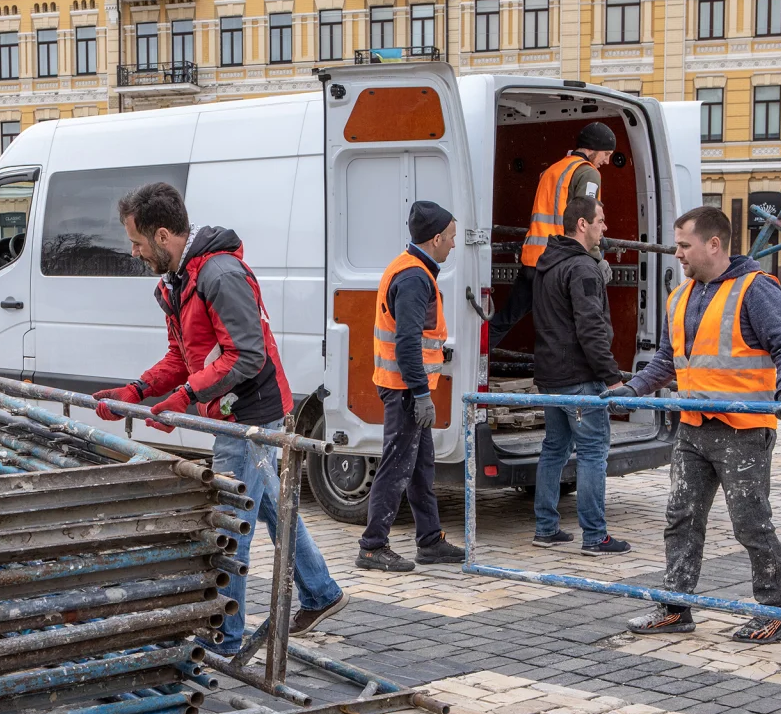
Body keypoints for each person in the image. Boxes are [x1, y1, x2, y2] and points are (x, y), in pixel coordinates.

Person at [94, 182, 347, 656]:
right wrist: (141, 389)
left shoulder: (220, 275)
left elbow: (246, 356)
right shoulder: (176, 283)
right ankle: (322, 592)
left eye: (137, 241)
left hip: (249, 417)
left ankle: (224, 638)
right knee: (271, 504)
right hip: (237, 413)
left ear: (163, 235)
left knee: (229, 527)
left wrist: (186, 396)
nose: (133, 251)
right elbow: (181, 355)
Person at [604, 206, 781, 643]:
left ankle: (775, 609)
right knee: (681, 517)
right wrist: (633, 389)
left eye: (684, 245)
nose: (677, 253)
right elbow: (666, 360)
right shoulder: (681, 296)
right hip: (693, 426)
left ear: (713, 244)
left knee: (750, 522)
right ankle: (676, 606)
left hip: (743, 429)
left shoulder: (756, 290)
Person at [356, 201, 467, 573]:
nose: (453, 244)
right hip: (405, 390)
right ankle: (372, 546)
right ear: (435, 238)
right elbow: (407, 343)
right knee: (397, 466)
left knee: (420, 467)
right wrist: (421, 394)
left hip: (405, 387)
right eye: (451, 237)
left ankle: (430, 540)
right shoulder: (414, 277)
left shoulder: (411, 269)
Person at [530, 196, 631, 555]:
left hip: (551, 376)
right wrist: (612, 377)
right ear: (583, 224)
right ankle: (595, 536)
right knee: (592, 452)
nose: (605, 227)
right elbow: (591, 329)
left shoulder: (546, 264)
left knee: (554, 448)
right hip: (580, 378)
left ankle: (546, 528)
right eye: (601, 220)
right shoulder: (583, 268)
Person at [488, 122, 617, 348]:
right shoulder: (588, 173)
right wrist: (596, 259)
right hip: (558, 263)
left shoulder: (553, 170)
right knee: (567, 329)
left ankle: (471, 367)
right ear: (592, 148)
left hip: (532, 259)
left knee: (504, 320)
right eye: (606, 154)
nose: (606, 161)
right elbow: (585, 219)